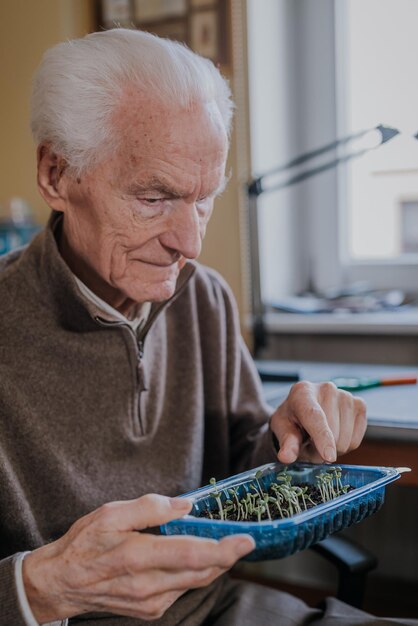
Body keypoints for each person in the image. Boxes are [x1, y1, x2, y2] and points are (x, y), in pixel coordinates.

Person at [0, 28, 414, 626]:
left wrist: (289, 438)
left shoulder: (205, 299)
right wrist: (40, 588)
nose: (189, 243)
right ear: (57, 174)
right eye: (153, 198)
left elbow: (244, 477)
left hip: (224, 610)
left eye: (203, 199)